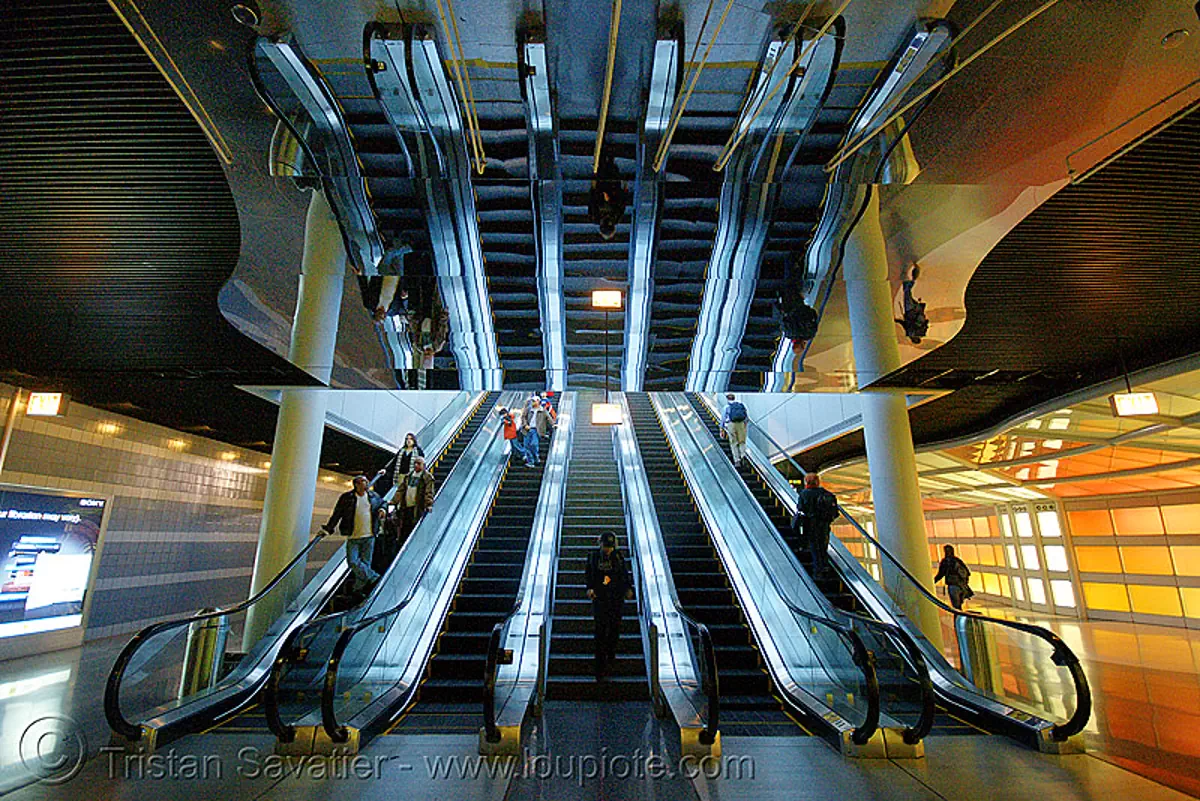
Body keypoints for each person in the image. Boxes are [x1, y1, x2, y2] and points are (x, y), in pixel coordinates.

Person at [321, 475, 385, 592]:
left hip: (370, 536)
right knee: (353, 562)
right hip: (354, 536)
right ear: (356, 484)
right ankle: (375, 577)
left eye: (366, 482)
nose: (365, 484)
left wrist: (382, 510)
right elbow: (337, 514)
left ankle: (357, 590)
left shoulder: (373, 496)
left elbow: (383, 503)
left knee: (365, 564)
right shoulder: (347, 498)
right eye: (361, 482)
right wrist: (329, 528)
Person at [585, 532, 633, 679]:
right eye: (605, 546)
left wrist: (628, 588)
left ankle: (610, 659)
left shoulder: (618, 557)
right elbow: (589, 574)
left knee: (614, 629)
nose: (607, 550)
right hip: (600, 598)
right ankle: (600, 665)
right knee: (600, 629)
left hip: (616, 598)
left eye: (610, 547)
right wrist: (590, 588)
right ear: (600, 544)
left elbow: (624, 574)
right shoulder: (593, 557)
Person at [791, 473, 838, 577]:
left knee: (814, 546)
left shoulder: (804, 494)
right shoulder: (826, 493)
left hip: (811, 523)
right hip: (824, 524)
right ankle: (825, 566)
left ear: (806, 482)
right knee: (823, 545)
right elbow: (834, 509)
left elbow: (800, 508)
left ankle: (818, 570)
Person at [588, 149, 629, 241]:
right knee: (611, 166)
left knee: (602, 166)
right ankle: (610, 154)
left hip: (601, 187)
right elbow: (623, 202)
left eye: (605, 222)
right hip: (613, 186)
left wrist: (593, 185)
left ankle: (603, 153)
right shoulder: (617, 217)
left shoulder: (594, 217)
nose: (607, 219)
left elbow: (591, 200)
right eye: (609, 222)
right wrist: (625, 187)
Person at [394, 455, 435, 542]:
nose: (416, 465)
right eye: (415, 463)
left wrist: (429, 504)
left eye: (419, 464)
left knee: (414, 526)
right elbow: (401, 490)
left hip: (417, 507)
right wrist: (394, 501)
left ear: (424, 465)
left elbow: (429, 492)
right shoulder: (408, 476)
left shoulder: (427, 477)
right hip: (406, 506)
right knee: (404, 526)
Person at [373, 432, 424, 501]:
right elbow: (394, 462)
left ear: (414, 441)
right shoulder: (402, 451)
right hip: (400, 476)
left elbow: (422, 463)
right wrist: (385, 469)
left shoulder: (418, 451)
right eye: (407, 439)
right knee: (399, 492)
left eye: (411, 439)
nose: (408, 441)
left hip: (411, 476)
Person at [894, 263, 929, 344]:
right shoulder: (912, 333)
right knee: (907, 293)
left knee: (907, 293)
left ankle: (908, 278)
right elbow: (905, 324)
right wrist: (896, 320)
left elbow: (906, 324)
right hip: (910, 311)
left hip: (916, 309)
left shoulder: (920, 331)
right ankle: (911, 277)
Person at [934, 544, 974, 610]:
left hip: (953, 586)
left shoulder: (945, 562)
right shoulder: (957, 560)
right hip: (961, 586)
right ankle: (959, 617)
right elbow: (967, 572)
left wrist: (933, 582)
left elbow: (940, 574)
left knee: (956, 607)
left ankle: (958, 618)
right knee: (958, 606)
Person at [720, 393, 749, 467]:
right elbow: (746, 418)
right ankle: (743, 456)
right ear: (734, 398)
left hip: (731, 425)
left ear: (727, 399)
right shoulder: (741, 405)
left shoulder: (726, 407)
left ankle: (737, 461)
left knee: (734, 443)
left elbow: (723, 419)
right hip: (741, 424)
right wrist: (744, 425)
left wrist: (721, 429)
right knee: (742, 442)